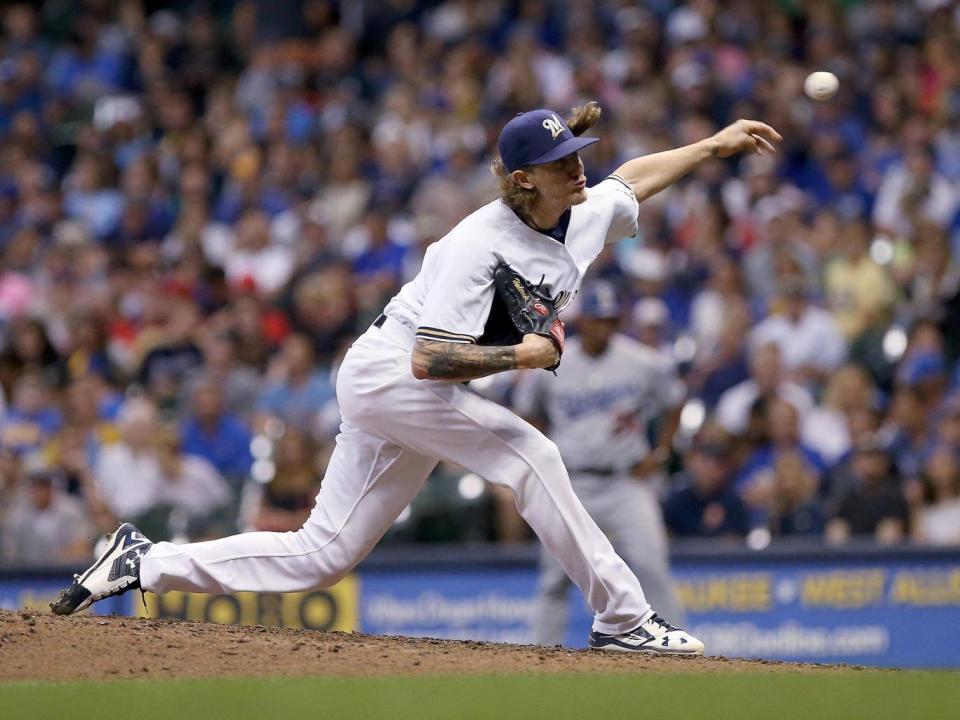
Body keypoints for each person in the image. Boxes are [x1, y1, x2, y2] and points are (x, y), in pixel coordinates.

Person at [54, 102, 781, 655]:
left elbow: (633, 183)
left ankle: (147, 561)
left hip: (404, 386)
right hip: (395, 375)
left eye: (577, 154)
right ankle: (623, 618)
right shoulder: (478, 244)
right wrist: (521, 357)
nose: (579, 168)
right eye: (564, 161)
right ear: (524, 179)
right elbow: (430, 360)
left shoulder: (581, 213)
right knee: (531, 454)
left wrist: (714, 145)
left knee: (323, 554)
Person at [515, 281, 686, 647]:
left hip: (626, 483)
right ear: (584, 321)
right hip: (571, 484)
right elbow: (528, 413)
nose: (603, 326)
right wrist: (542, 456)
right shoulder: (552, 362)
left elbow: (675, 398)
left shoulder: (642, 361)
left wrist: (662, 452)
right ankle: (538, 657)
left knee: (652, 566)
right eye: (597, 319)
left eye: (610, 319)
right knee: (554, 577)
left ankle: (677, 656)